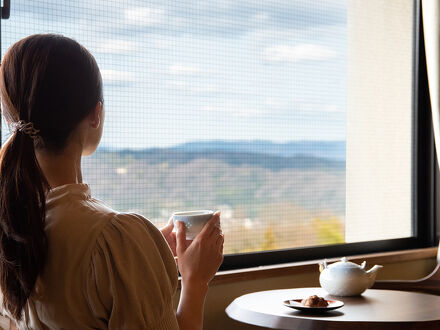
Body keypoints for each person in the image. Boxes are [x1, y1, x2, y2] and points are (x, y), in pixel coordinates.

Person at [0, 34, 224, 329]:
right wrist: (195, 280)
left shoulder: (13, 224)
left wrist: (143, 253)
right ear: (96, 114)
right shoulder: (117, 241)